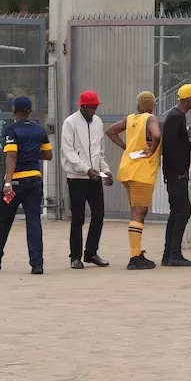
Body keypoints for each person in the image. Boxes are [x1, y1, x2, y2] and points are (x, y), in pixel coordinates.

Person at [0, 97, 52, 274]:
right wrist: (32, 153)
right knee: (34, 222)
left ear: (14, 110)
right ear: (30, 111)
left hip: (16, 182)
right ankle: (37, 264)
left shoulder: (11, 130)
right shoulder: (39, 130)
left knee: (4, 221)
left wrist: (8, 182)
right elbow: (48, 155)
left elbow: (11, 156)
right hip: (35, 180)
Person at [109, 91, 163, 270]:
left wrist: (126, 147)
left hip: (127, 169)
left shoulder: (131, 118)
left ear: (138, 104)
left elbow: (111, 131)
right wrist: (152, 150)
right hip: (142, 172)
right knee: (139, 213)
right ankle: (134, 256)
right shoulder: (150, 118)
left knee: (136, 212)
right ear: (153, 105)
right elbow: (156, 135)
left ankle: (136, 253)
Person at [61, 90, 112, 269]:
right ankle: (75, 256)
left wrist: (105, 170)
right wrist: (85, 169)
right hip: (77, 178)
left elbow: (99, 152)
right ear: (82, 107)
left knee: (98, 215)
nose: (94, 111)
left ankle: (91, 252)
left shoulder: (98, 122)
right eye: (91, 108)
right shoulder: (70, 123)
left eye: (96, 107)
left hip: (94, 176)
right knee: (78, 218)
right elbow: (68, 152)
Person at [160, 84, 191, 267]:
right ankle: (174, 254)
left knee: (177, 213)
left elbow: (178, 143)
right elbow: (170, 147)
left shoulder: (178, 117)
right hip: (176, 174)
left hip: (176, 173)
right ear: (189, 100)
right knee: (184, 211)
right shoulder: (175, 117)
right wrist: (178, 173)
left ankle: (169, 254)